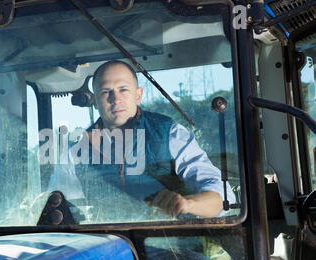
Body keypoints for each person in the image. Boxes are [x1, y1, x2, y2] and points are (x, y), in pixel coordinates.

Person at [48, 60, 236, 219]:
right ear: (95, 101)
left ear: (138, 95)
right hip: (107, 246)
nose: (115, 99)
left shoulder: (169, 134)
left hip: (175, 244)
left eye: (123, 89)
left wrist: (186, 203)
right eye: (106, 92)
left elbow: (221, 196)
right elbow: (63, 209)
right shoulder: (75, 153)